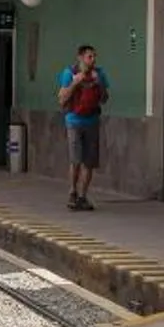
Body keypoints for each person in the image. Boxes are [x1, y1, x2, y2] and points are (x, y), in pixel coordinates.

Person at [57, 44, 108, 210]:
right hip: (74, 121)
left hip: (92, 121)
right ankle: (72, 191)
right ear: (80, 58)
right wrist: (74, 83)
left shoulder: (99, 74)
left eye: (94, 57)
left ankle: (83, 196)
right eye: (89, 57)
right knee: (76, 160)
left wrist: (99, 84)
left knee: (89, 162)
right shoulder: (69, 73)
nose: (93, 60)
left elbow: (105, 98)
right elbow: (62, 99)